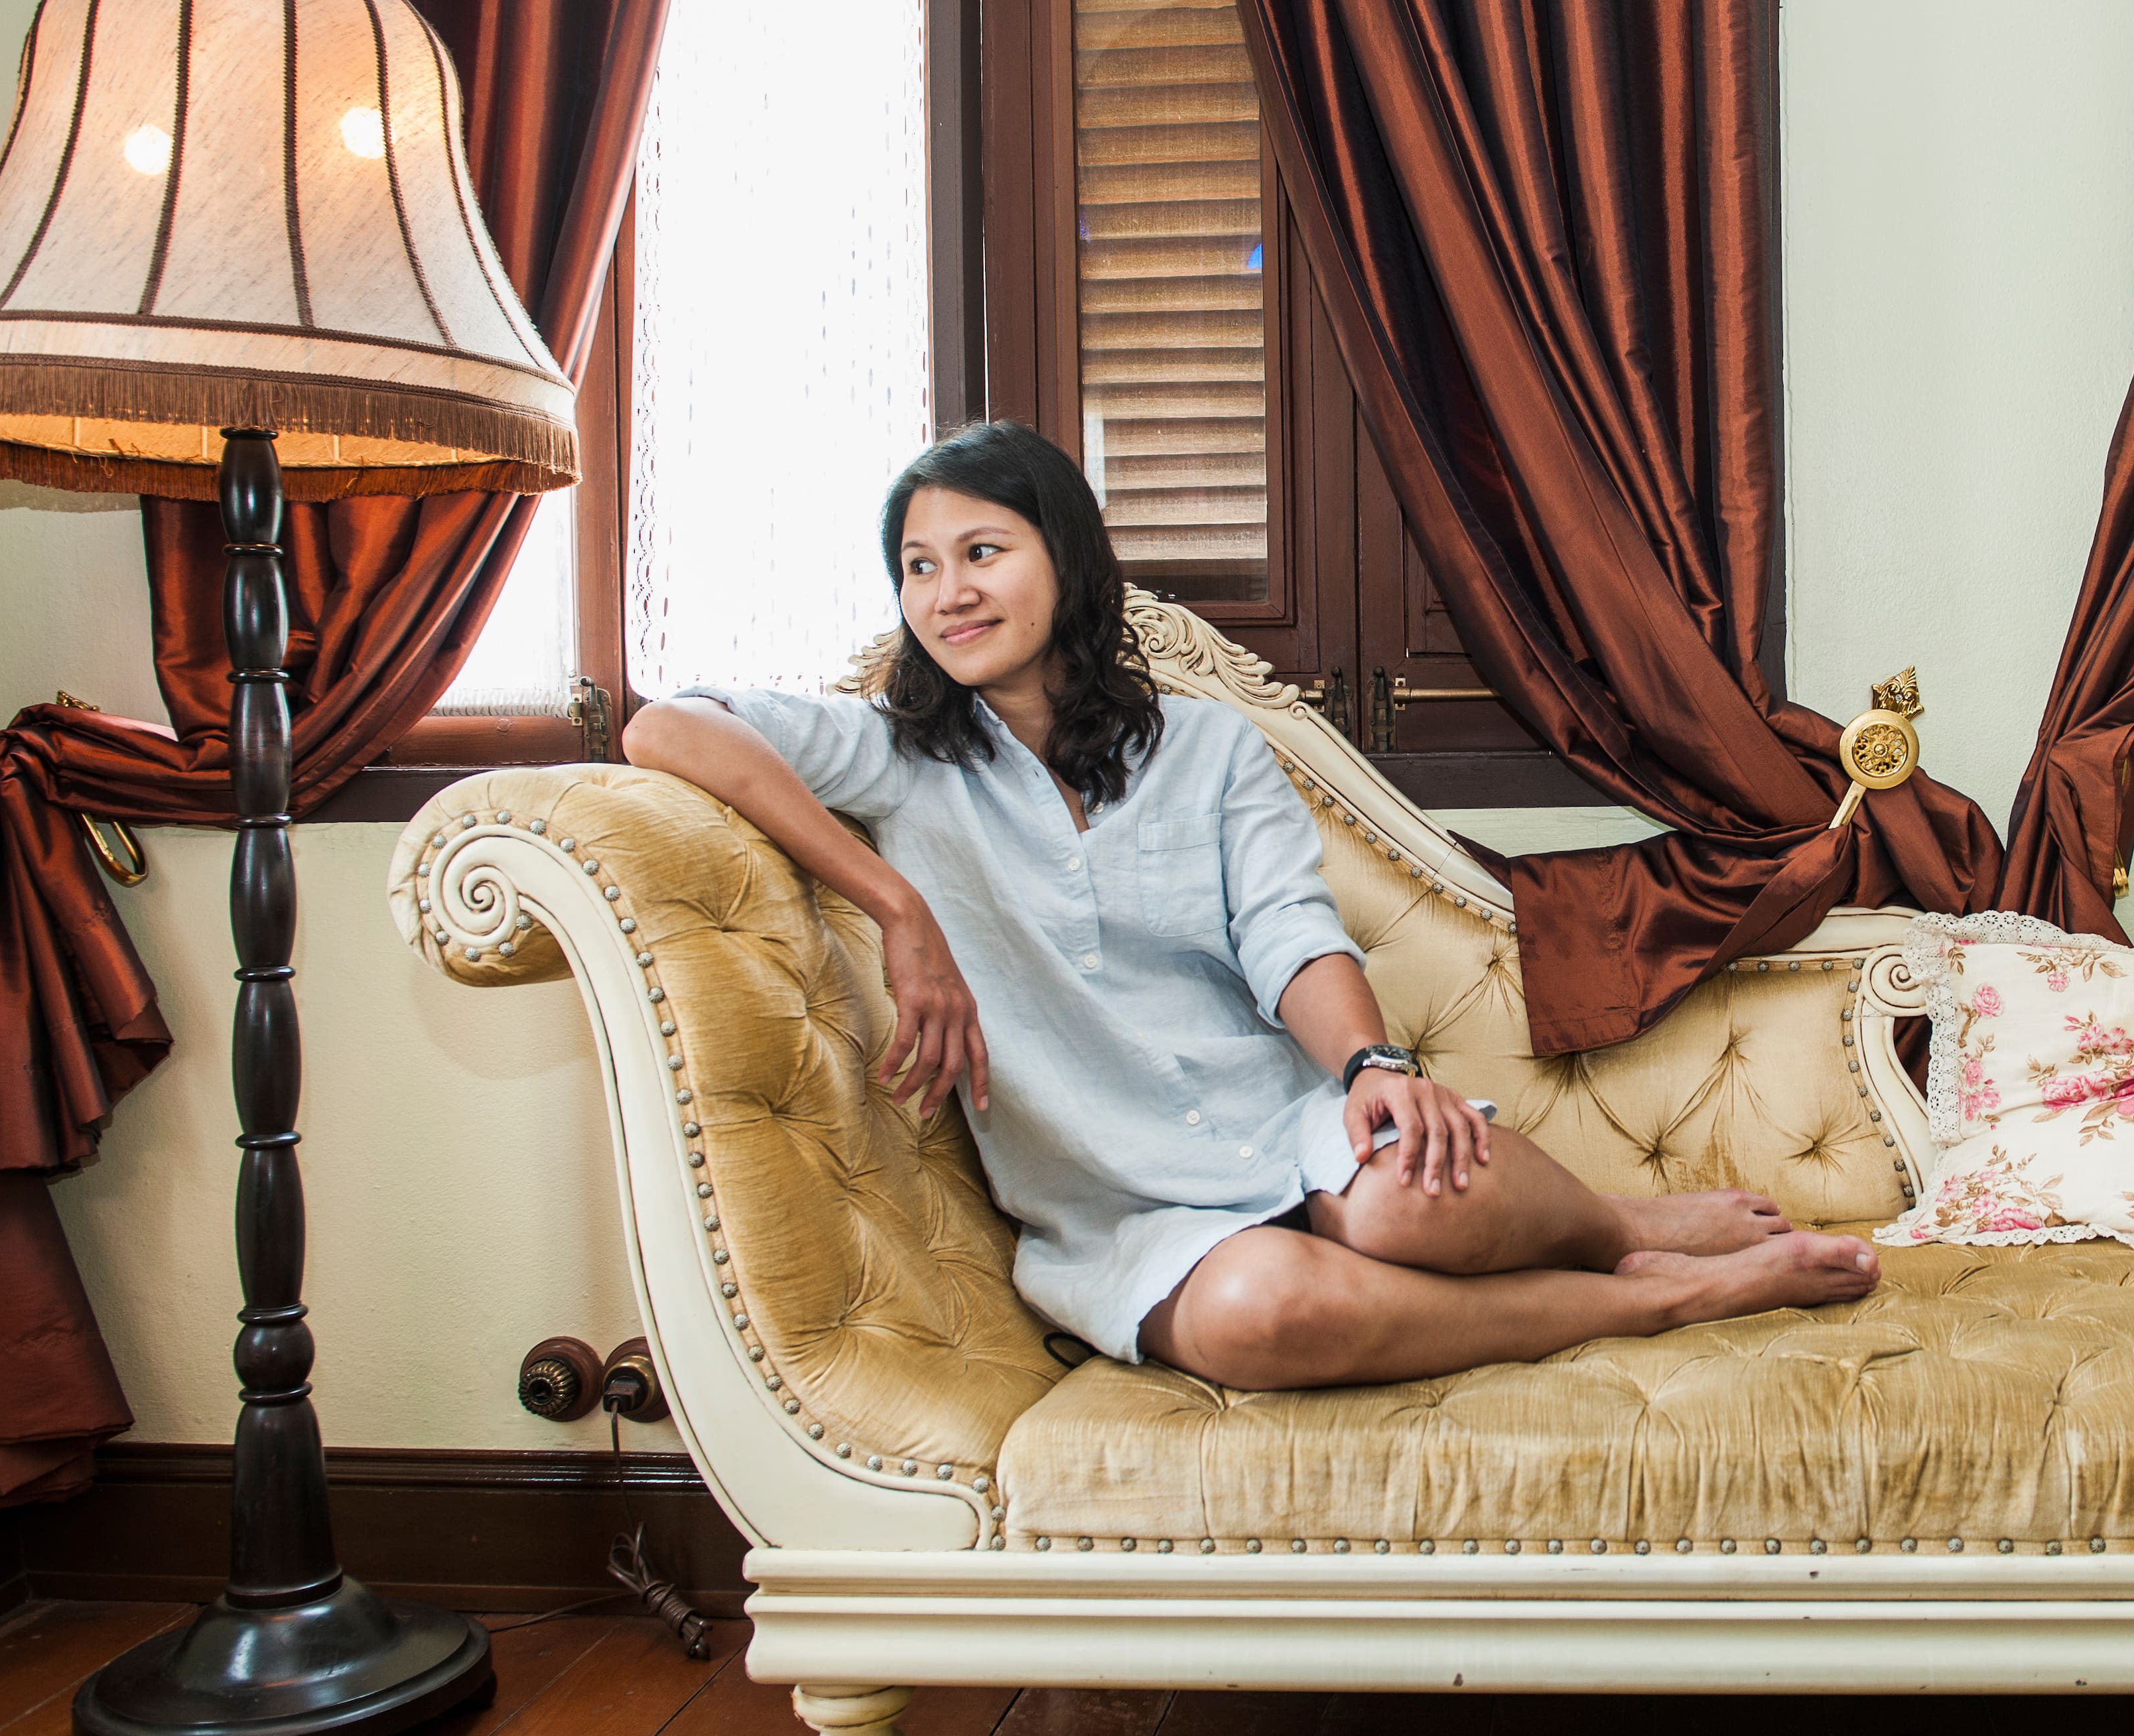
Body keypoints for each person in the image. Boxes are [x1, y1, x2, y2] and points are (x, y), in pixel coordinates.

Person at [618, 426, 1878, 1392]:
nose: (947, 591)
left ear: (1067, 556)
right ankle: (1653, 1295)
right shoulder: (895, 755)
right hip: (1122, 1206)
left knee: (1410, 1191)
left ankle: (1612, 1228)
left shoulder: (1211, 749)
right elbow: (664, 724)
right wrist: (895, 901)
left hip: (1279, 1127)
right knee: (1258, 1315)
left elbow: (1290, 934)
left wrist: (1375, 1067)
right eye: (918, 566)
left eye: (983, 551)